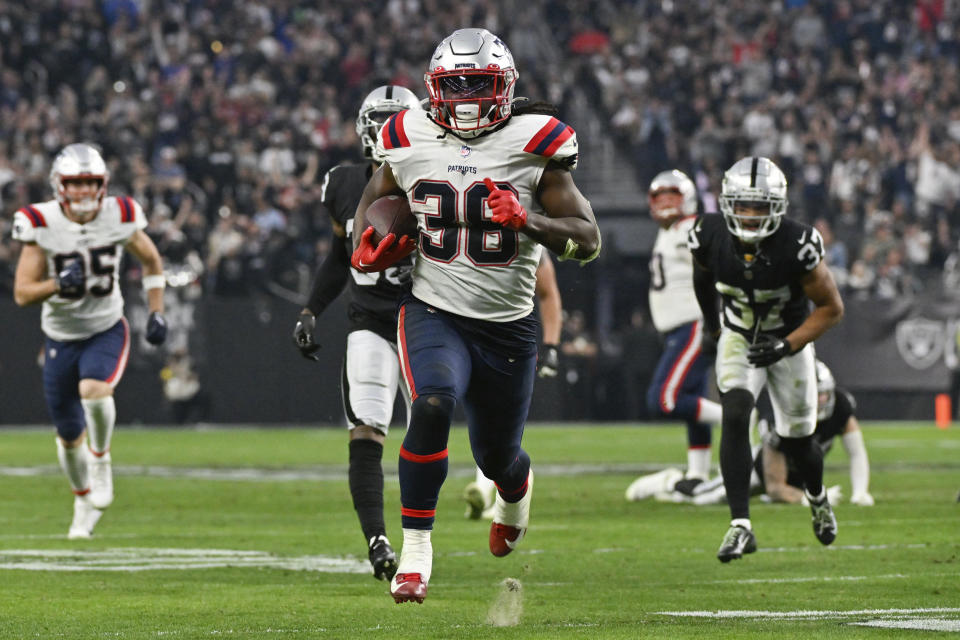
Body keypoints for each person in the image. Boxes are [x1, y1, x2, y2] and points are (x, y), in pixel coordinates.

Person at [349, 28, 601, 603]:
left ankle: (515, 492)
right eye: (453, 85)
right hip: (433, 307)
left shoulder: (536, 142)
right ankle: (415, 554)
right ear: (434, 89)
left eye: (478, 84)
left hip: (508, 325)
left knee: (498, 457)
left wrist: (529, 222)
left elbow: (588, 240)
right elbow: (373, 200)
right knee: (432, 402)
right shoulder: (406, 135)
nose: (464, 98)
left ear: (505, 86)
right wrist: (374, 240)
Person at [291, 85, 422, 581]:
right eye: (380, 121)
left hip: (423, 321)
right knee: (366, 430)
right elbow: (338, 253)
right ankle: (378, 540)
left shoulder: (431, 179)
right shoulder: (343, 184)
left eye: (396, 121)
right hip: (368, 321)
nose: (386, 132)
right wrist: (311, 309)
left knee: (430, 427)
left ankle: (424, 536)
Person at [688, 156, 844, 562]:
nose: (752, 215)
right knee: (736, 412)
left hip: (787, 339)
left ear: (778, 207)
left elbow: (831, 308)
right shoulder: (708, 234)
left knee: (800, 440)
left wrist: (787, 345)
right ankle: (741, 525)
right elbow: (702, 279)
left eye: (760, 206)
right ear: (727, 204)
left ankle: (817, 496)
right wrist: (712, 326)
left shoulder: (797, 244)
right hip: (739, 334)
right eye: (744, 205)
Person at [11, 143, 167, 539]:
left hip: (105, 326)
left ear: (103, 185)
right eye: (75, 183)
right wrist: (55, 285)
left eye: (90, 183)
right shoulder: (41, 221)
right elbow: (23, 292)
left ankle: (101, 460)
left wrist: (156, 310)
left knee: (94, 388)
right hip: (61, 336)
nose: (82, 192)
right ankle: (82, 501)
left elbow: (151, 260)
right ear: (58, 186)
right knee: (66, 437)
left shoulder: (120, 214)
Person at [627, 360, 874, 508]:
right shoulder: (781, 414)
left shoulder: (840, 405)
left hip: (796, 476)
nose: (821, 400)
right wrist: (811, 498)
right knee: (704, 498)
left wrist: (860, 492)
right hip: (758, 472)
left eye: (824, 393)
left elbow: (856, 451)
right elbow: (775, 485)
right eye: (815, 393)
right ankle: (669, 482)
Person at [627, 169, 722, 500]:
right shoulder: (670, 231)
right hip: (678, 328)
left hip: (692, 324)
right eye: (660, 198)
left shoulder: (687, 229)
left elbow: (716, 267)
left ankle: (740, 418)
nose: (666, 204)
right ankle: (698, 473)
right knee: (692, 399)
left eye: (673, 197)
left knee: (664, 399)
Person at [462, 252, 563, 520]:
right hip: (467, 332)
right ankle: (490, 487)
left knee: (502, 419)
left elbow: (547, 291)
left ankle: (498, 487)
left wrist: (551, 344)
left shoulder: (526, 232)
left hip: (511, 338)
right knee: (480, 413)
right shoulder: (455, 219)